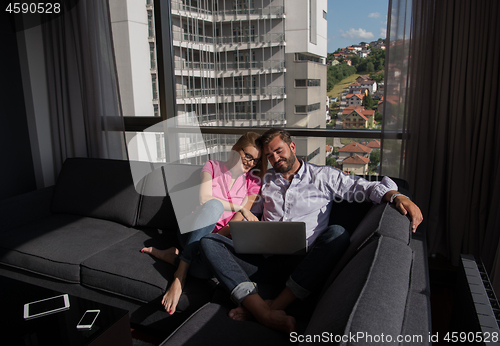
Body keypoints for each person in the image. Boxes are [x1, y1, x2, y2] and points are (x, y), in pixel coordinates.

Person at [199, 128, 423, 333]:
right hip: (264, 260)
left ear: (292, 147)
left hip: (305, 264)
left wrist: (397, 196)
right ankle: (262, 311)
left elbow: (363, 187)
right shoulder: (265, 182)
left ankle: (270, 308)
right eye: (269, 156)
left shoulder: (323, 176)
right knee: (209, 242)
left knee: (337, 233)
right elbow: (247, 211)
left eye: (279, 151)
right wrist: (227, 232)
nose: (275, 159)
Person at [141, 132, 267, 314]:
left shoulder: (252, 181)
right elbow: (204, 198)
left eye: (256, 160)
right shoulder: (213, 166)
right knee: (214, 205)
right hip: (191, 231)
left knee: (205, 271)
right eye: (247, 155)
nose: (250, 162)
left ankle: (171, 257)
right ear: (235, 149)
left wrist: (209, 242)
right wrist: (240, 207)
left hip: (215, 238)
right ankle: (180, 274)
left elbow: (236, 223)